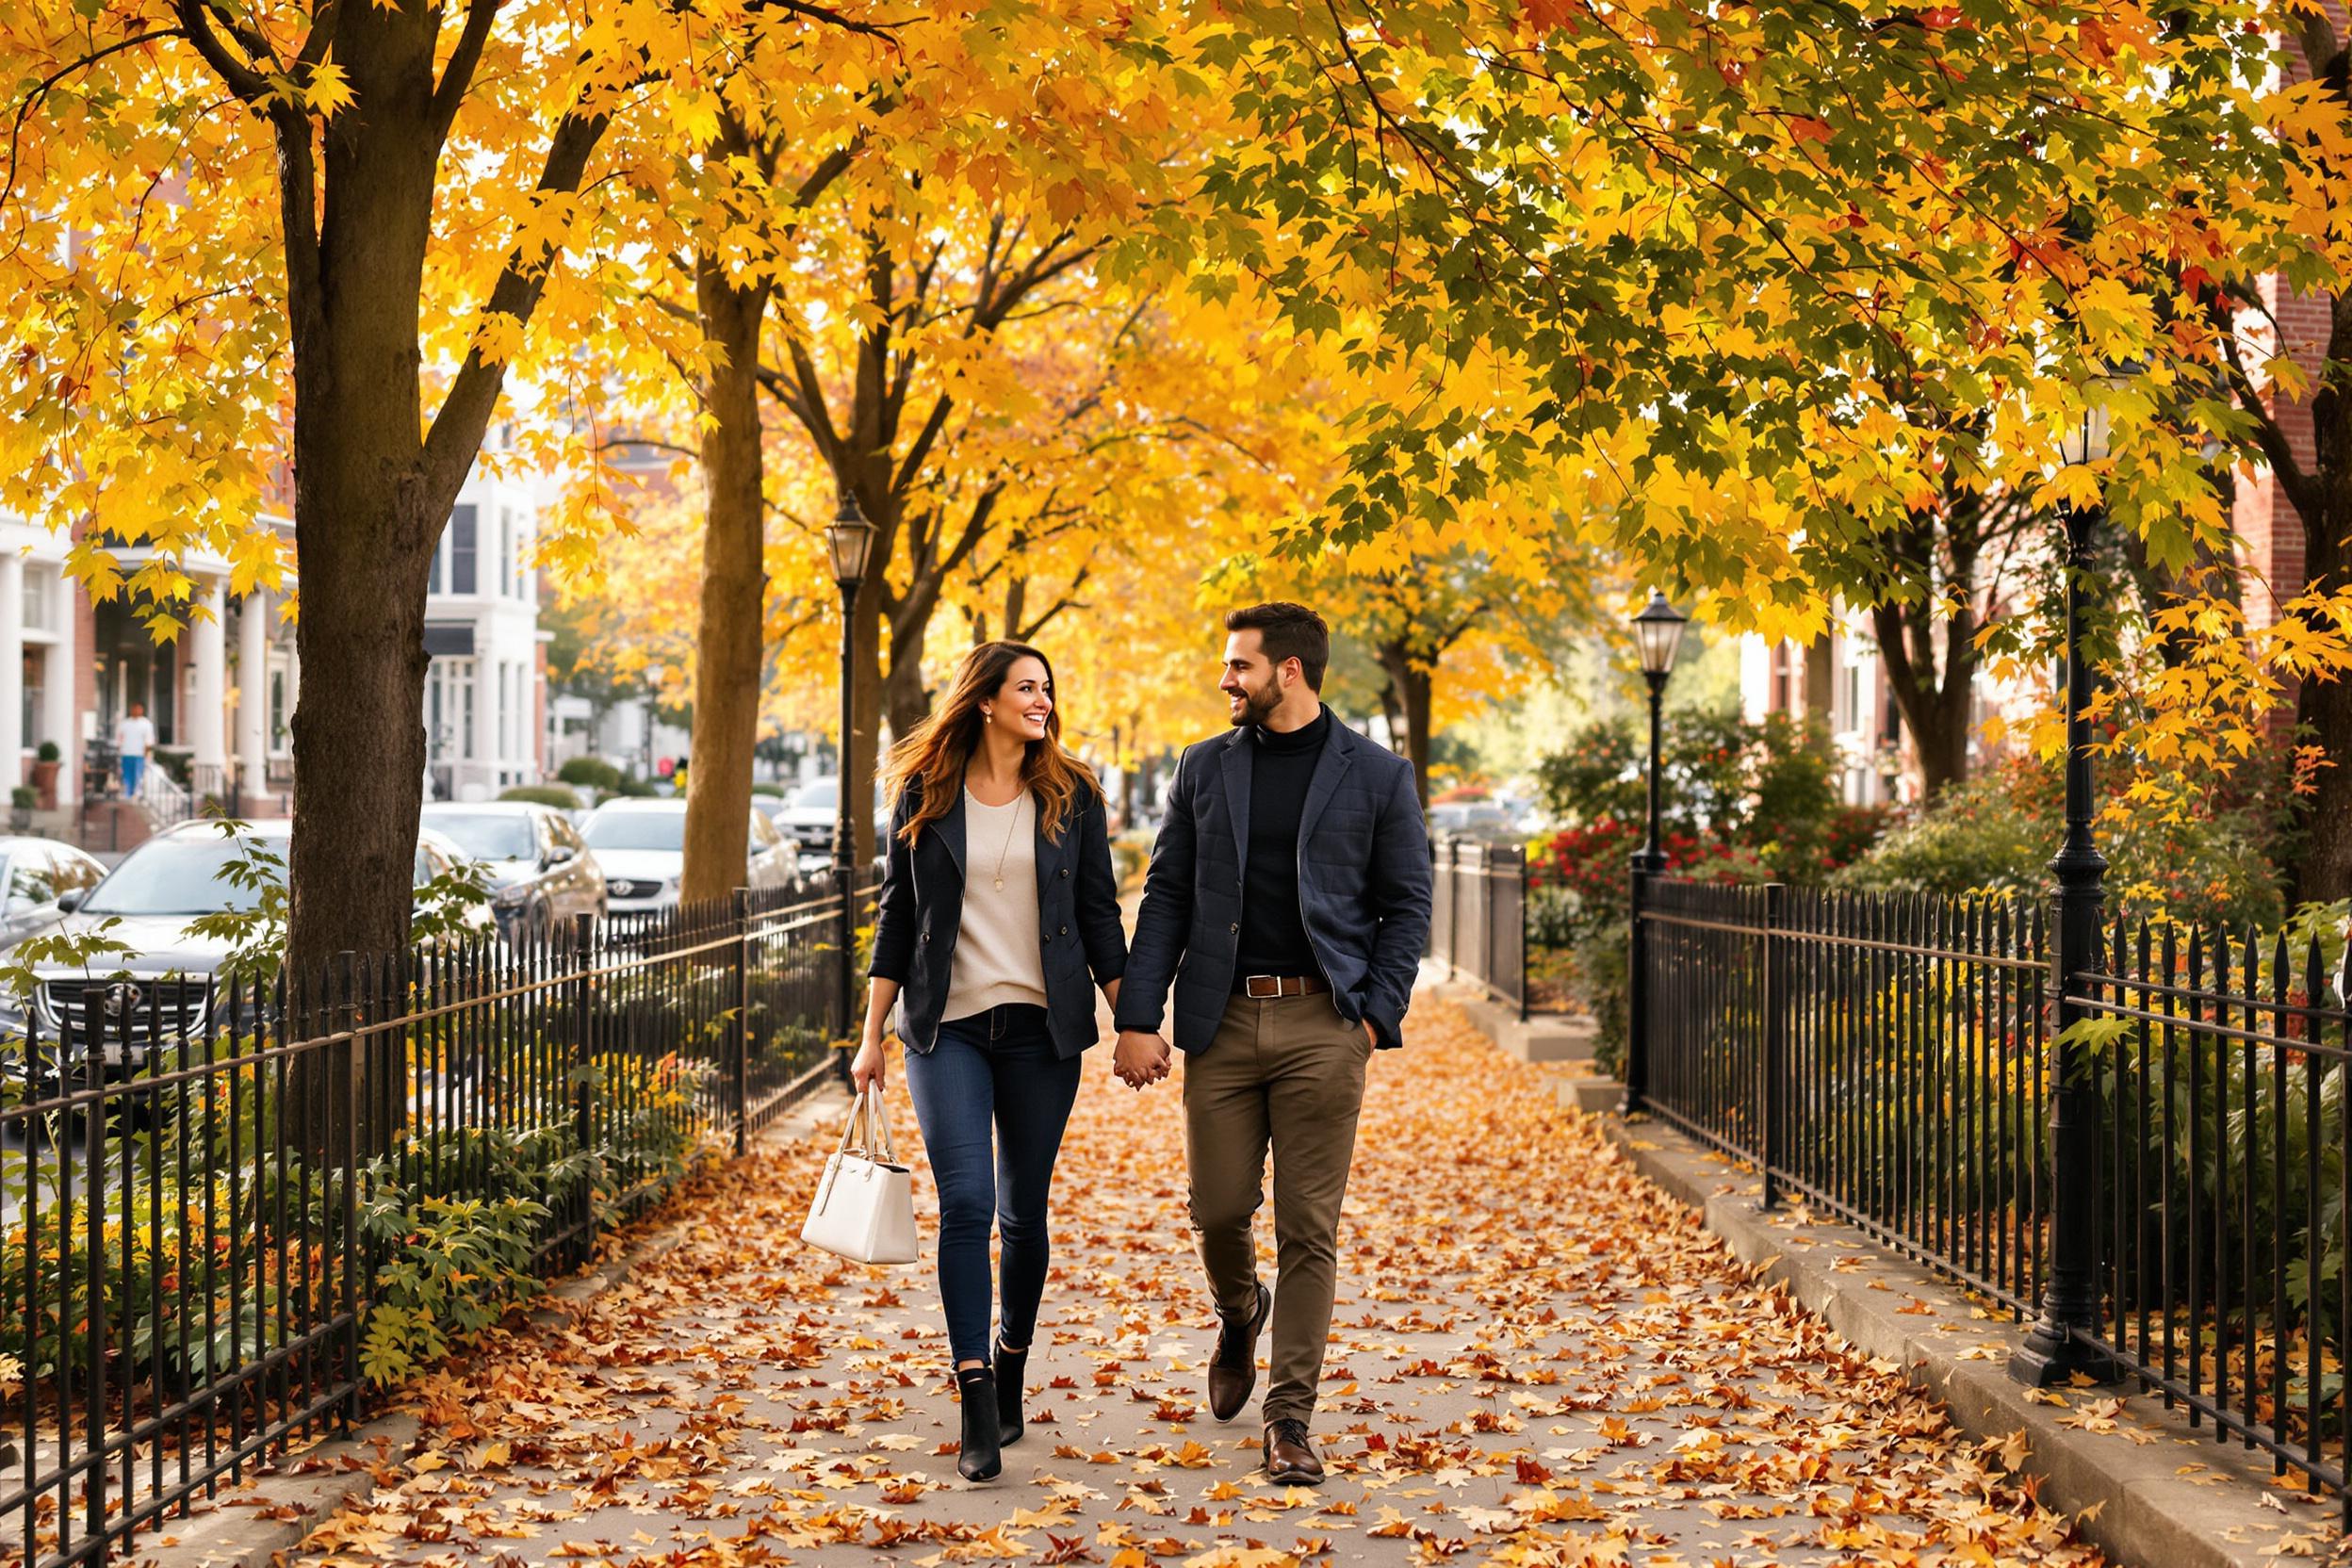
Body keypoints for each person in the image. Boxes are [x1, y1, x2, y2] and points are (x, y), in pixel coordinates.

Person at [1112, 602, 1431, 1486]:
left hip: (1323, 1025)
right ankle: (1237, 1308)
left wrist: (1371, 1016)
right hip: (1219, 1019)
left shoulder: (1376, 774)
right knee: (1217, 1208)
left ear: (1289, 670)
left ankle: (1290, 1418)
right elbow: (1168, 893)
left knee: (1309, 1229)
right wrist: (1140, 1017)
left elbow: (1406, 904)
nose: (1226, 680)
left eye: (1239, 667)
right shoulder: (1204, 766)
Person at [851, 641, 1127, 1483]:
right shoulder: (925, 792)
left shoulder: (1072, 794)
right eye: (1026, 688)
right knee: (966, 1204)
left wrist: (1135, 1021)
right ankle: (974, 1389)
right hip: (948, 1030)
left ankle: (1011, 1360)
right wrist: (871, 1035)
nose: (1042, 701)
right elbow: (899, 918)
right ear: (985, 701)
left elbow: (1097, 911)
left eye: (1048, 687)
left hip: (1043, 1031)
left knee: (1023, 1213)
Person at [114, 702, 155, 798]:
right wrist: (119, 751)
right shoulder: (125, 723)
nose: (136, 711)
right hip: (126, 753)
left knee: (138, 776)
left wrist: (147, 756)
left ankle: (137, 794)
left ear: (142, 710)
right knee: (126, 776)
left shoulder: (146, 724)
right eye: (134, 708)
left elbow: (149, 741)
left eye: (138, 709)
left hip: (139, 755)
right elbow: (119, 739)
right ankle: (127, 794)